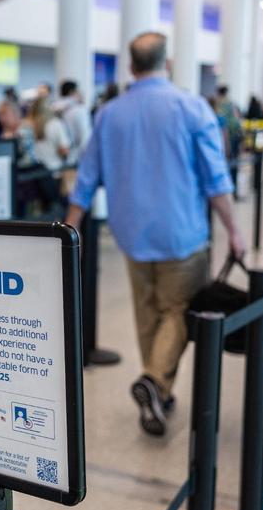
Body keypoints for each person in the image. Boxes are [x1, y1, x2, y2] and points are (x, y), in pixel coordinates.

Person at [65, 33, 246, 437]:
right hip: (181, 234)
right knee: (178, 310)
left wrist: (70, 228)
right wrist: (234, 229)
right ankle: (155, 383)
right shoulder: (191, 106)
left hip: (131, 234)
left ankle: (157, 394)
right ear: (168, 63)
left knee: (148, 313)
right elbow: (216, 179)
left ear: (131, 66)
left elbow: (86, 177)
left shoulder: (109, 113)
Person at [55, 81, 92, 157]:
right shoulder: (79, 110)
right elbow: (85, 136)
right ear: (72, 92)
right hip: (76, 154)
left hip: (58, 153)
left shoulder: (53, 108)